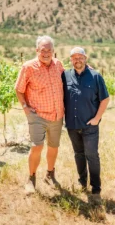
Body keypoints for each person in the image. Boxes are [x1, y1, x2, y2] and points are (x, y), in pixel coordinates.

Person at [15, 35, 64, 194]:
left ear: (53, 51)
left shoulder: (58, 65)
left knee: (53, 147)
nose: (46, 53)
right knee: (37, 146)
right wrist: (25, 107)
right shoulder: (28, 67)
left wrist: (86, 68)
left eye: (49, 50)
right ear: (37, 50)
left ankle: (50, 174)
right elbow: (19, 89)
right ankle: (31, 177)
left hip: (57, 115)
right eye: (43, 50)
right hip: (37, 115)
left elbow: (69, 80)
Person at [62, 47, 109, 200]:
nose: (78, 60)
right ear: (71, 60)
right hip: (72, 125)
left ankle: (96, 189)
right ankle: (82, 182)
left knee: (92, 155)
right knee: (79, 154)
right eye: (74, 57)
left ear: (85, 58)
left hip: (90, 125)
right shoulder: (65, 76)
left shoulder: (95, 76)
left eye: (80, 57)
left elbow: (105, 99)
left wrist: (96, 119)